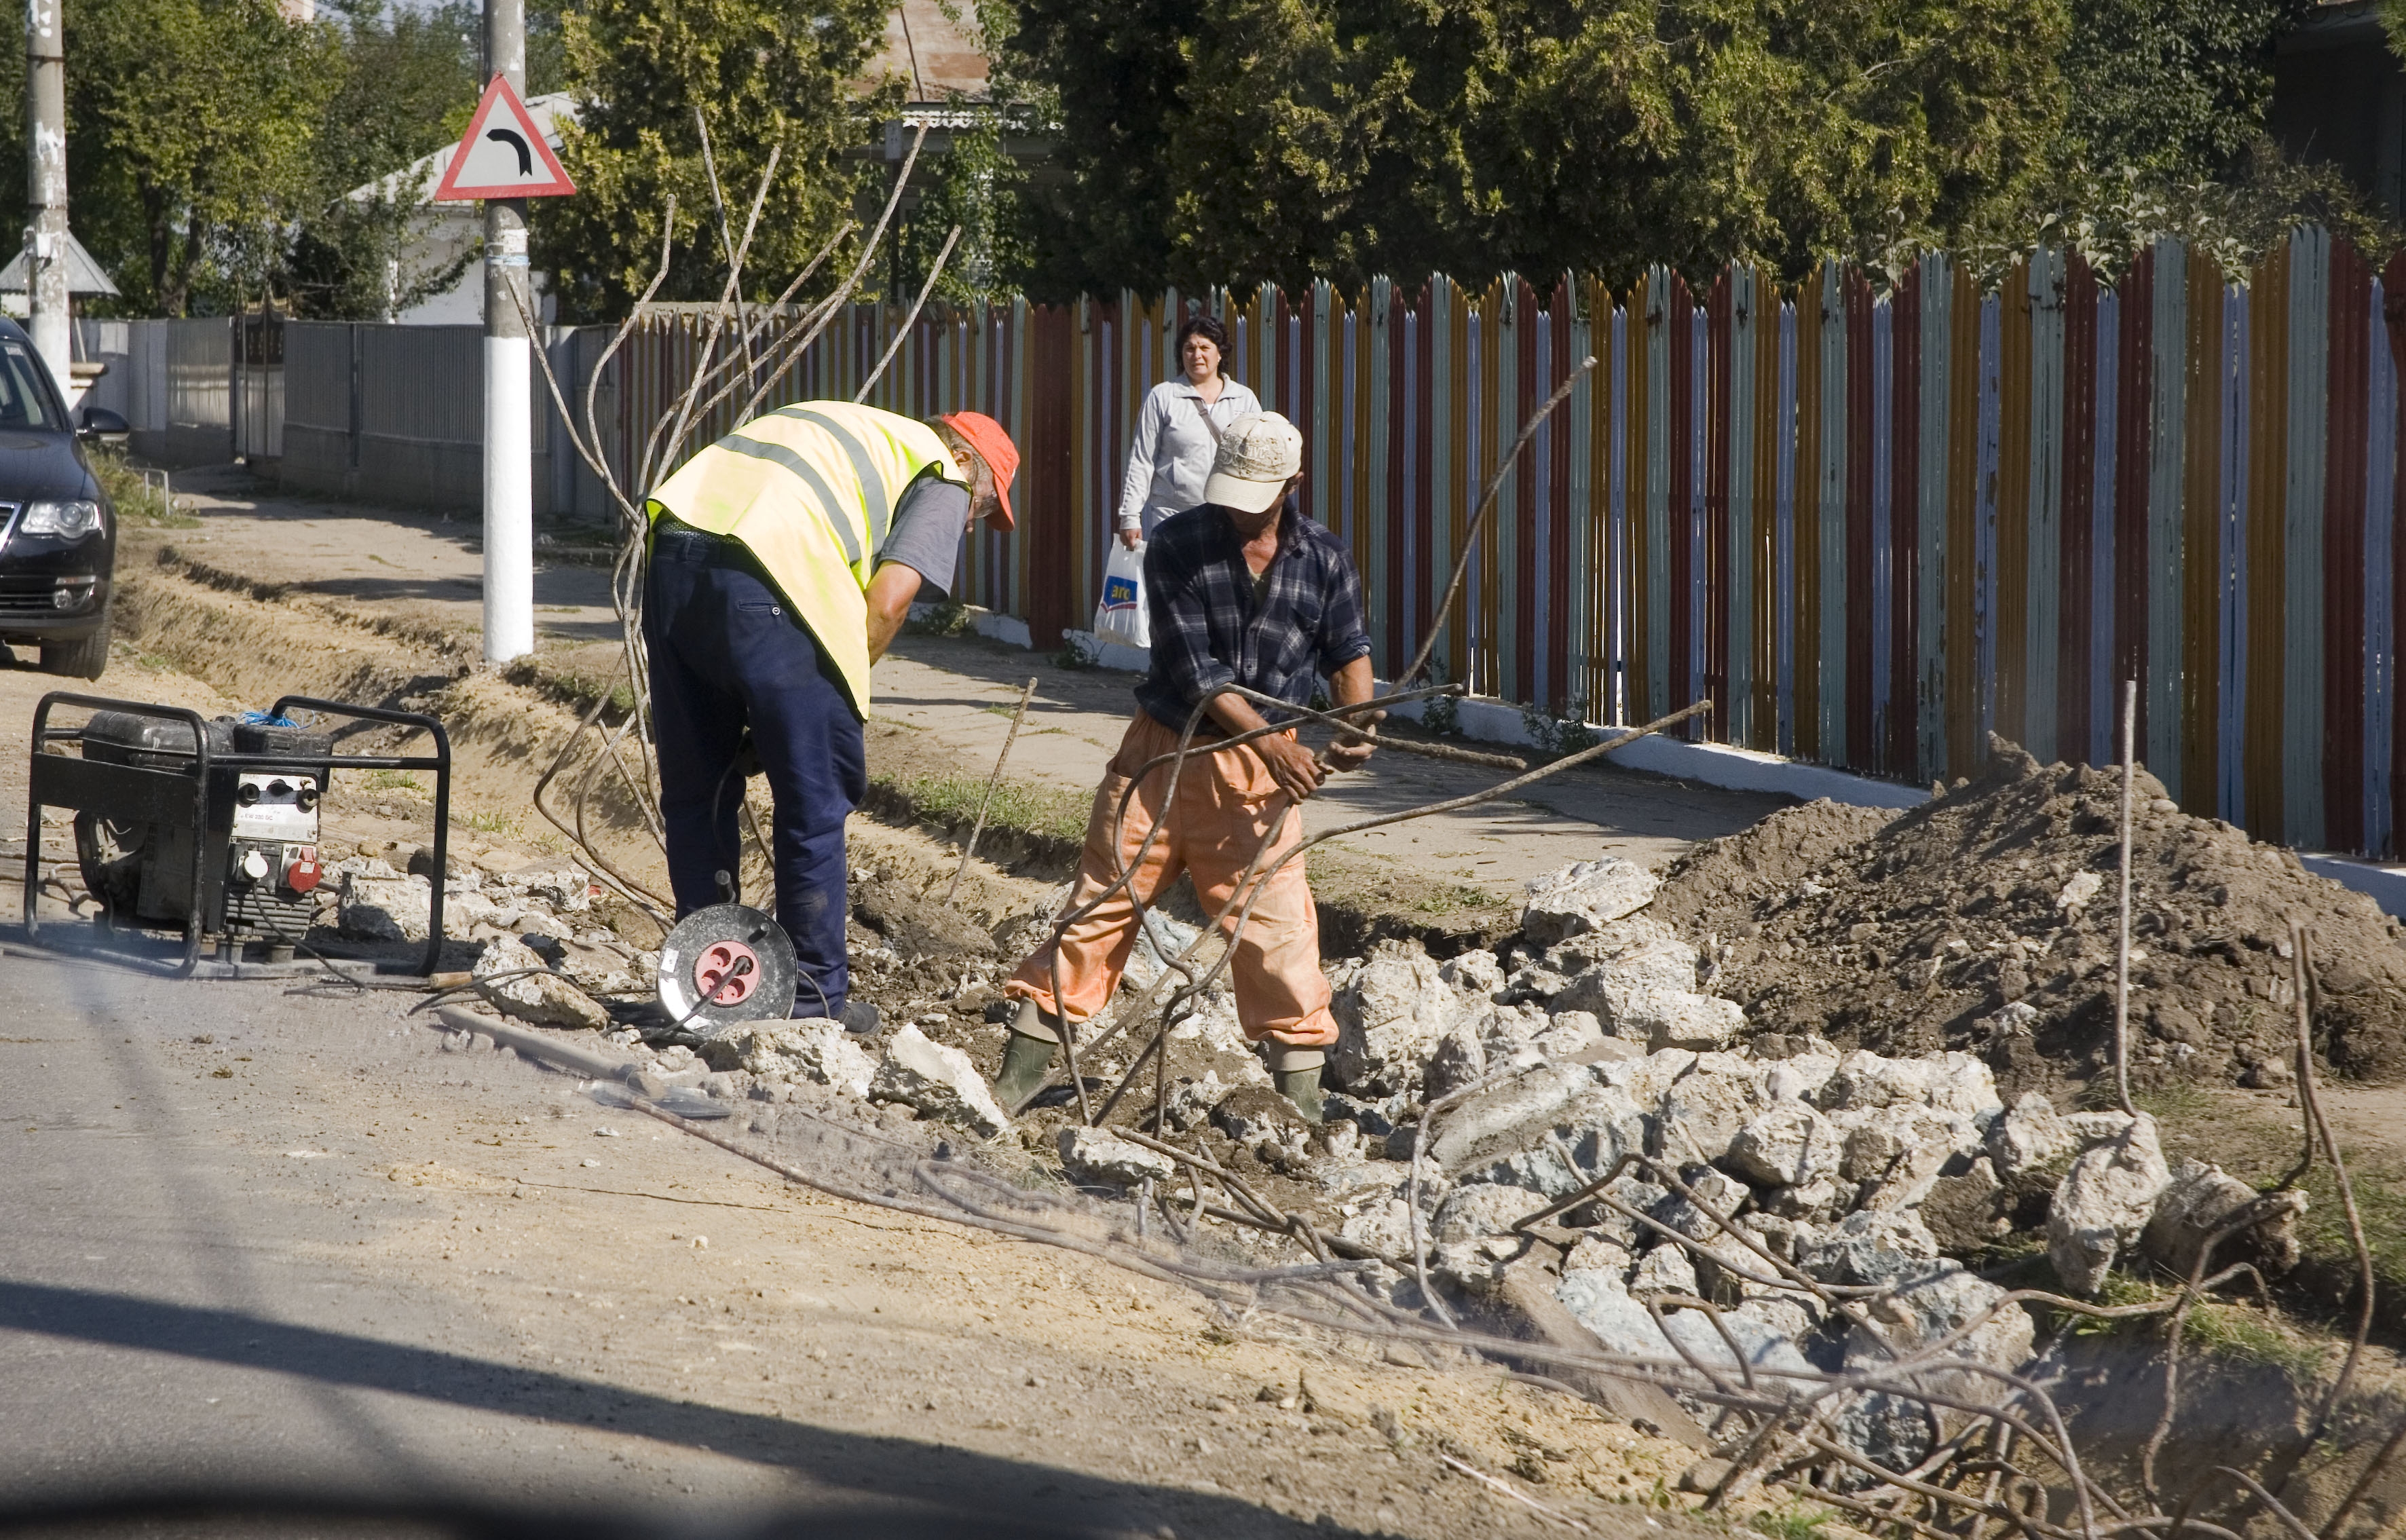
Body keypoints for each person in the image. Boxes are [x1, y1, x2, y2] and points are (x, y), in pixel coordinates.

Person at [994, 412, 1377, 1121]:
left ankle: (1298, 1114)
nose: (1235, 509)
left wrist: (1355, 726)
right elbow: (1196, 671)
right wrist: (1273, 744)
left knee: (1279, 941)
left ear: (1293, 483)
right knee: (1096, 914)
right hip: (1161, 762)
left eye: (1254, 496)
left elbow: (1348, 653)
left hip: (1256, 791)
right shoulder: (1176, 545)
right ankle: (1013, 1082)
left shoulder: (1323, 557)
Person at [643, 402, 1019, 1030]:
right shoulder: (941, 471)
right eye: (983, 507)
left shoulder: (843, 424)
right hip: (767, 580)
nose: (971, 523)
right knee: (813, 803)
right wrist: (833, 690)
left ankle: (705, 988)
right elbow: (889, 602)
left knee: (696, 791)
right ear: (964, 459)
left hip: (672, 562)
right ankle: (814, 1003)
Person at [1114, 314, 1261, 550]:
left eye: (1205, 347)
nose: (1197, 355)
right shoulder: (1163, 397)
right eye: (1189, 348)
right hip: (1173, 515)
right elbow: (1142, 460)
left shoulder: (1244, 398)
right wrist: (1130, 515)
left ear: (1220, 352)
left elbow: (1257, 459)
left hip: (1230, 516)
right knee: (1176, 586)